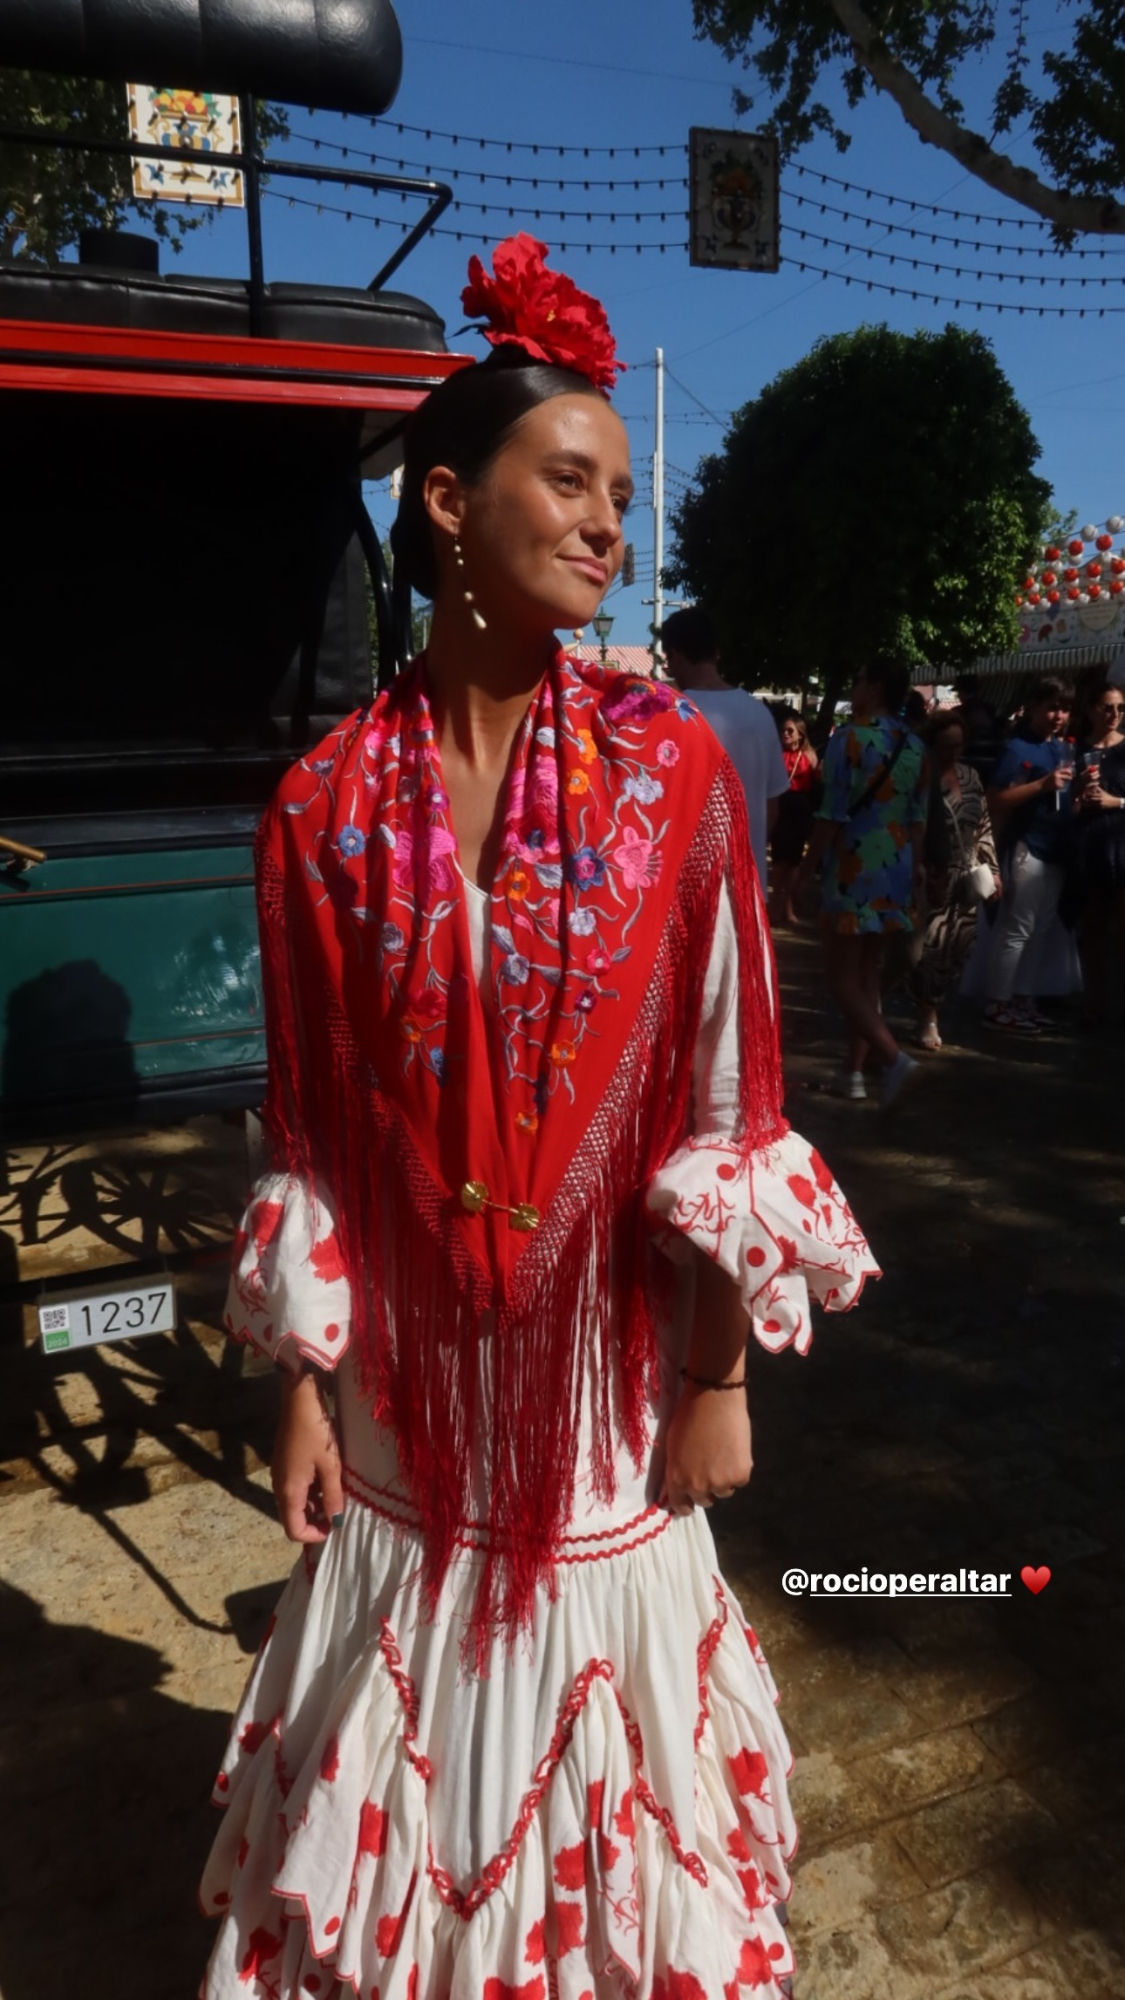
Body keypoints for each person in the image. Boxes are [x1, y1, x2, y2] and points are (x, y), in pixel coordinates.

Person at [200, 236, 877, 2000]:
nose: (607, 523)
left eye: (619, 494)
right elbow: (309, 1126)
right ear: (445, 502)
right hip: (416, 1394)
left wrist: (719, 1374)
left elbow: (734, 1082)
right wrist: (299, 1379)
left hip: (603, 1387)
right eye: (567, 480)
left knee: (611, 1775)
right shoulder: (322, 810)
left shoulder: (675, 781)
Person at [796, 658, 928, 1108]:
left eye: (857, 679)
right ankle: (853, 1071)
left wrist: (804, 869)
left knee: (840, 976)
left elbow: (830, 813)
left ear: (873, 688)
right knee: (868, 973)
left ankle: (892, 1056)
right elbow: (917, 819)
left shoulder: (849, 738)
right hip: (894, 866)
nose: (853, 687)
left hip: (853, 865)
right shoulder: (913, 745)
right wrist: (915, 874)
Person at [660, 608, 790, 897]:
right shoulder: (760, 715)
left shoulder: (671, 716)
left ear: (675, 656)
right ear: (716, 653)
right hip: (747, 887)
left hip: (688, 889)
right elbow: (772, 808)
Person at [983, 677, 1074, 1034]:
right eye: (1052, 707)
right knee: (1017, 928)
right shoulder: (1017, 748)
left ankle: (1023, 999)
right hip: (1027, 846)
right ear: (1034, 706)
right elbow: (995, 799)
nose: (1058, 715)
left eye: (1064, 709)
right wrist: (1041, 785)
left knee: (1042, 929)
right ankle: (997, 1002)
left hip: (1056, 848)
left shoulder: (1060, 748)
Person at [905, 708, 999, 1050]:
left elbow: (983, 826)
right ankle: (927, 1014)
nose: (953, 753)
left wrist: (994, 868)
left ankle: (931, 1004)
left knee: (957, 948)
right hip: (933, 873)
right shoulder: (921, 778)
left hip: (966, 874)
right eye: (946, 746)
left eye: (959, 746)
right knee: (927, 951)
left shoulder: (971, 777)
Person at [1063, 678, 1125, 1025]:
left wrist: (1116, 801)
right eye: (1108, 707)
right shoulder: (1077, 749)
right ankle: (1094, 1003)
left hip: (1121, 843)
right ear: (1091, 710)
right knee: (1093, 930)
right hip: (1088, 843)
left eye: (1120, 708)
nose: (1115, 714)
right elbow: (1062, 799)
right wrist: (1076, 795)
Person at [769, 710, 819, 926]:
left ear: (800, 734)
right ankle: (774, 906)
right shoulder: (776, 755)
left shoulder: (810, 756)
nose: (785, 734)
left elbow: (817, 786)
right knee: (780, 860)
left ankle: (788, 905)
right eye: (783, 730)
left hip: (800, 809)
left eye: (790, 731)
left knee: (794, 861)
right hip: (782, 806)